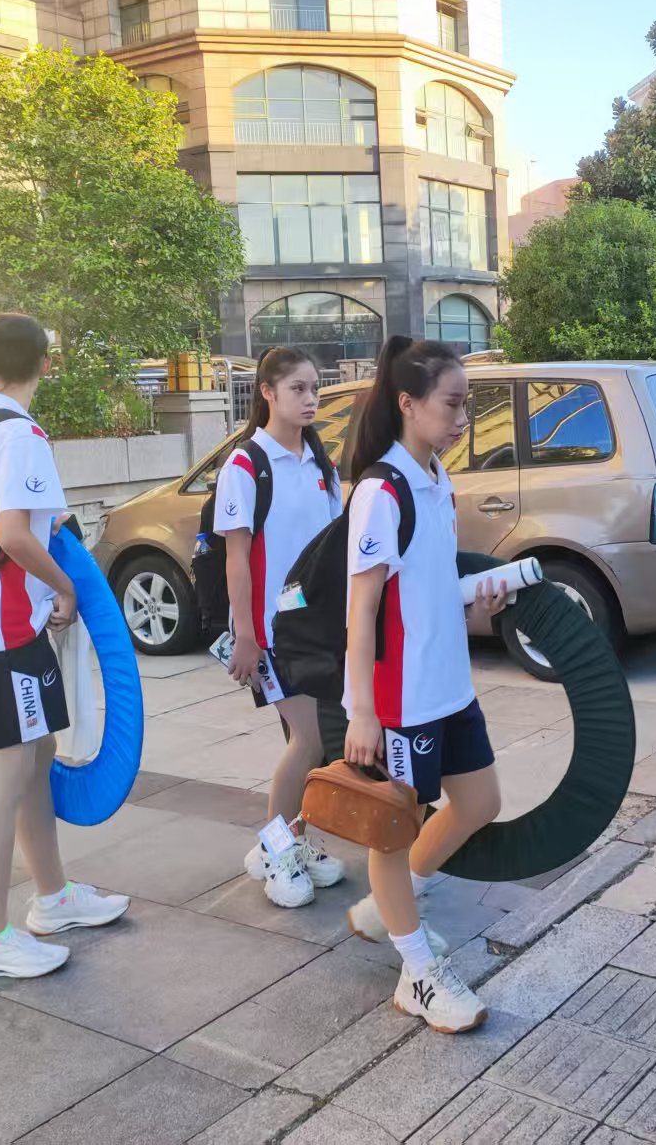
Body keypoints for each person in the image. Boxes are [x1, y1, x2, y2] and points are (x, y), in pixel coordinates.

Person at [0, 312, 129, 979]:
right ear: (46, 364)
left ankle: (52, 896)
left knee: (37, 755)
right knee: (4, 777)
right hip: (0, 634)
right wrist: (66, 588)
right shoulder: (18, 435)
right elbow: (15, 535)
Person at [339, 337, 510, 1035]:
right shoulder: (381, 492)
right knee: (392, 832)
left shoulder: (437, 478)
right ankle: (417, 973)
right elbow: (362, 610)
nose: (463, 418)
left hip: (449, 687)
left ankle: (388, 908)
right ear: (408, 403)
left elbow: (426, 589)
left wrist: (475, 601)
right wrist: (363, 712)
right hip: (400, 699)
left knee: (480, 802)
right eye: (453, 403)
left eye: (467, 403)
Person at [216, 347, 348, 909]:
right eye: (298, 388)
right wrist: (246, 636)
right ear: (267, 392)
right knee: (309, 741)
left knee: (310, 745)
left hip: (318, 628)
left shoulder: (322, 462)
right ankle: (276, 851)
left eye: (315, 387)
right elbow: (237, 559)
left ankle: (292, 839)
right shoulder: (245, 464)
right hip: (272, 633)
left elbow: (336, 547)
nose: (311, 398)